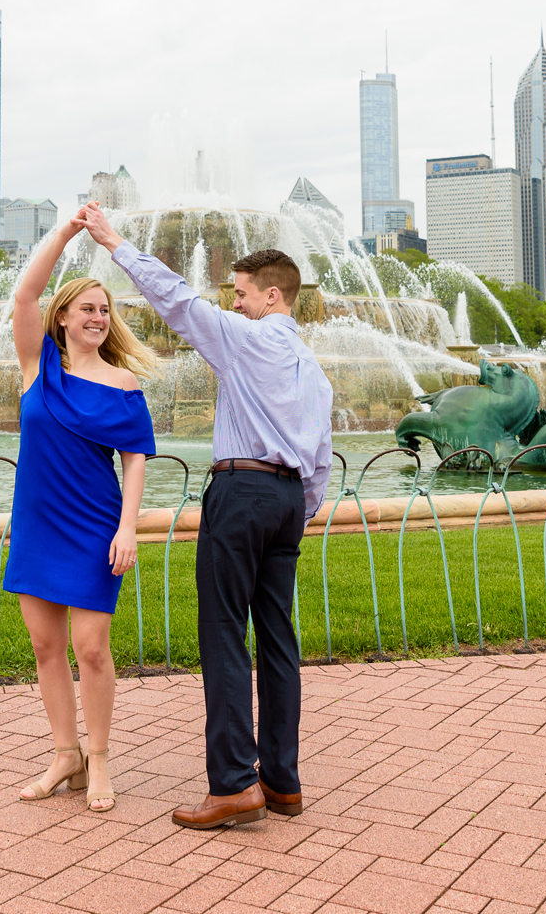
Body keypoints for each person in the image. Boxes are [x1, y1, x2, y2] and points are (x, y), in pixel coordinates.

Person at [76, 202, 334, 830]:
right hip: (288, 502)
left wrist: (115, 242)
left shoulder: (248, 339)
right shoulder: (315, 371)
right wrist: (294, 509)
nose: (235, 304)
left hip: (241, 492)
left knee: (223, 634)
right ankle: (282, 781)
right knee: (278, 638)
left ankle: (233, 785)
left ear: (272, 296)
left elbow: (179, 301)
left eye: (242, 294)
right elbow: (321, 460)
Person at [2, 214, 160, 813]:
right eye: (88, 309)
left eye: (105, 311)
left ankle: (99, 758)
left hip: (96, 528)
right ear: (63, 318)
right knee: (46, 648)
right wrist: (66, 235)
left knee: (91, 649)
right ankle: (63, 755)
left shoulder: (124, 383)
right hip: (39, 525)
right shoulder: (36, 367)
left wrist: (127, 528)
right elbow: (25, 292)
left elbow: (136, 460)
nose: (98, 318)